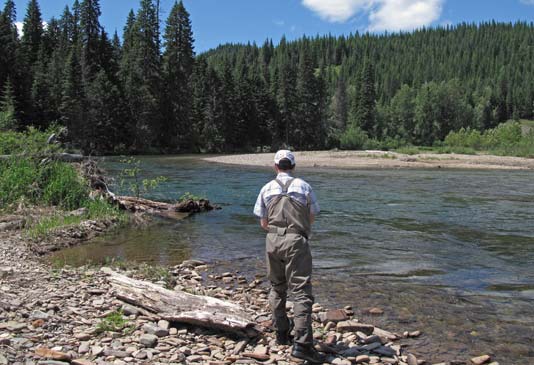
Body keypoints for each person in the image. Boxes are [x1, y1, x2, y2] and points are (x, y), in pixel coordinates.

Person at [253, 150, 325, 364]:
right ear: (293, 167)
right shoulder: (304, 186)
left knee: (277, 287)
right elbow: (311, 217)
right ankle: (302, 345)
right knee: (301, 291)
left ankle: (282, 334)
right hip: (296, 240)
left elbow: (263, 223)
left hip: (272, 241)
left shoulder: (266, 188)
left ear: (275, 166)